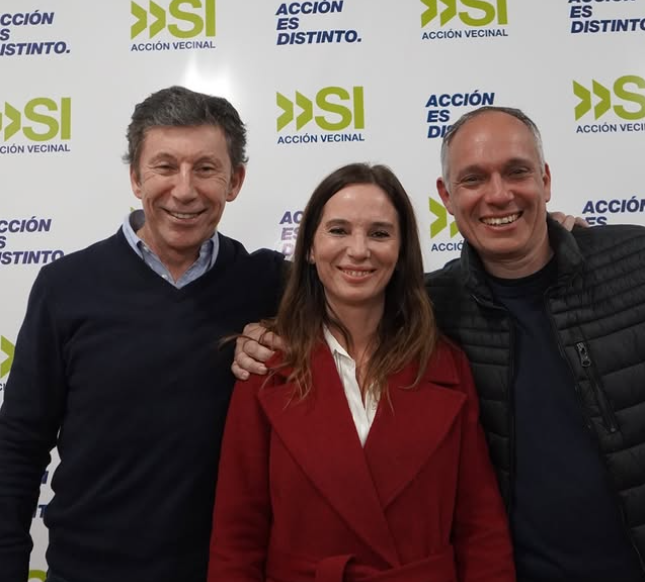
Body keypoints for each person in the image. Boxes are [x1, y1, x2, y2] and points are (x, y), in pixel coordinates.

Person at [233, 107, 645, 581]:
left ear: (545, 180)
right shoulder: (436, 308)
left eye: (516, 172)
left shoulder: (632, 262)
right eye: (473, 179)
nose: (498, 194)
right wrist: (263, 338)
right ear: (446, 196)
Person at [0, 86, 285, 582]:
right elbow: (18, 446)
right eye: (164, 166)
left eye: (205, 168)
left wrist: (287, 336)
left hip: (223, 573)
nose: (184, 190)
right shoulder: (66, 287)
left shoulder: (268, 284)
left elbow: (377, 311)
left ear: (235, 181)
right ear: (135, 177)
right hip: (86, 572)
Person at [208, 163, 515, 582]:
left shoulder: (446, 365)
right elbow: (237, 538)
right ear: (310, 248)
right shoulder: (266, 367)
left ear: (401, 251)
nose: (358, 250)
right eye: (338, 230)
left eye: (379, 233)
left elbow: (480, 529)